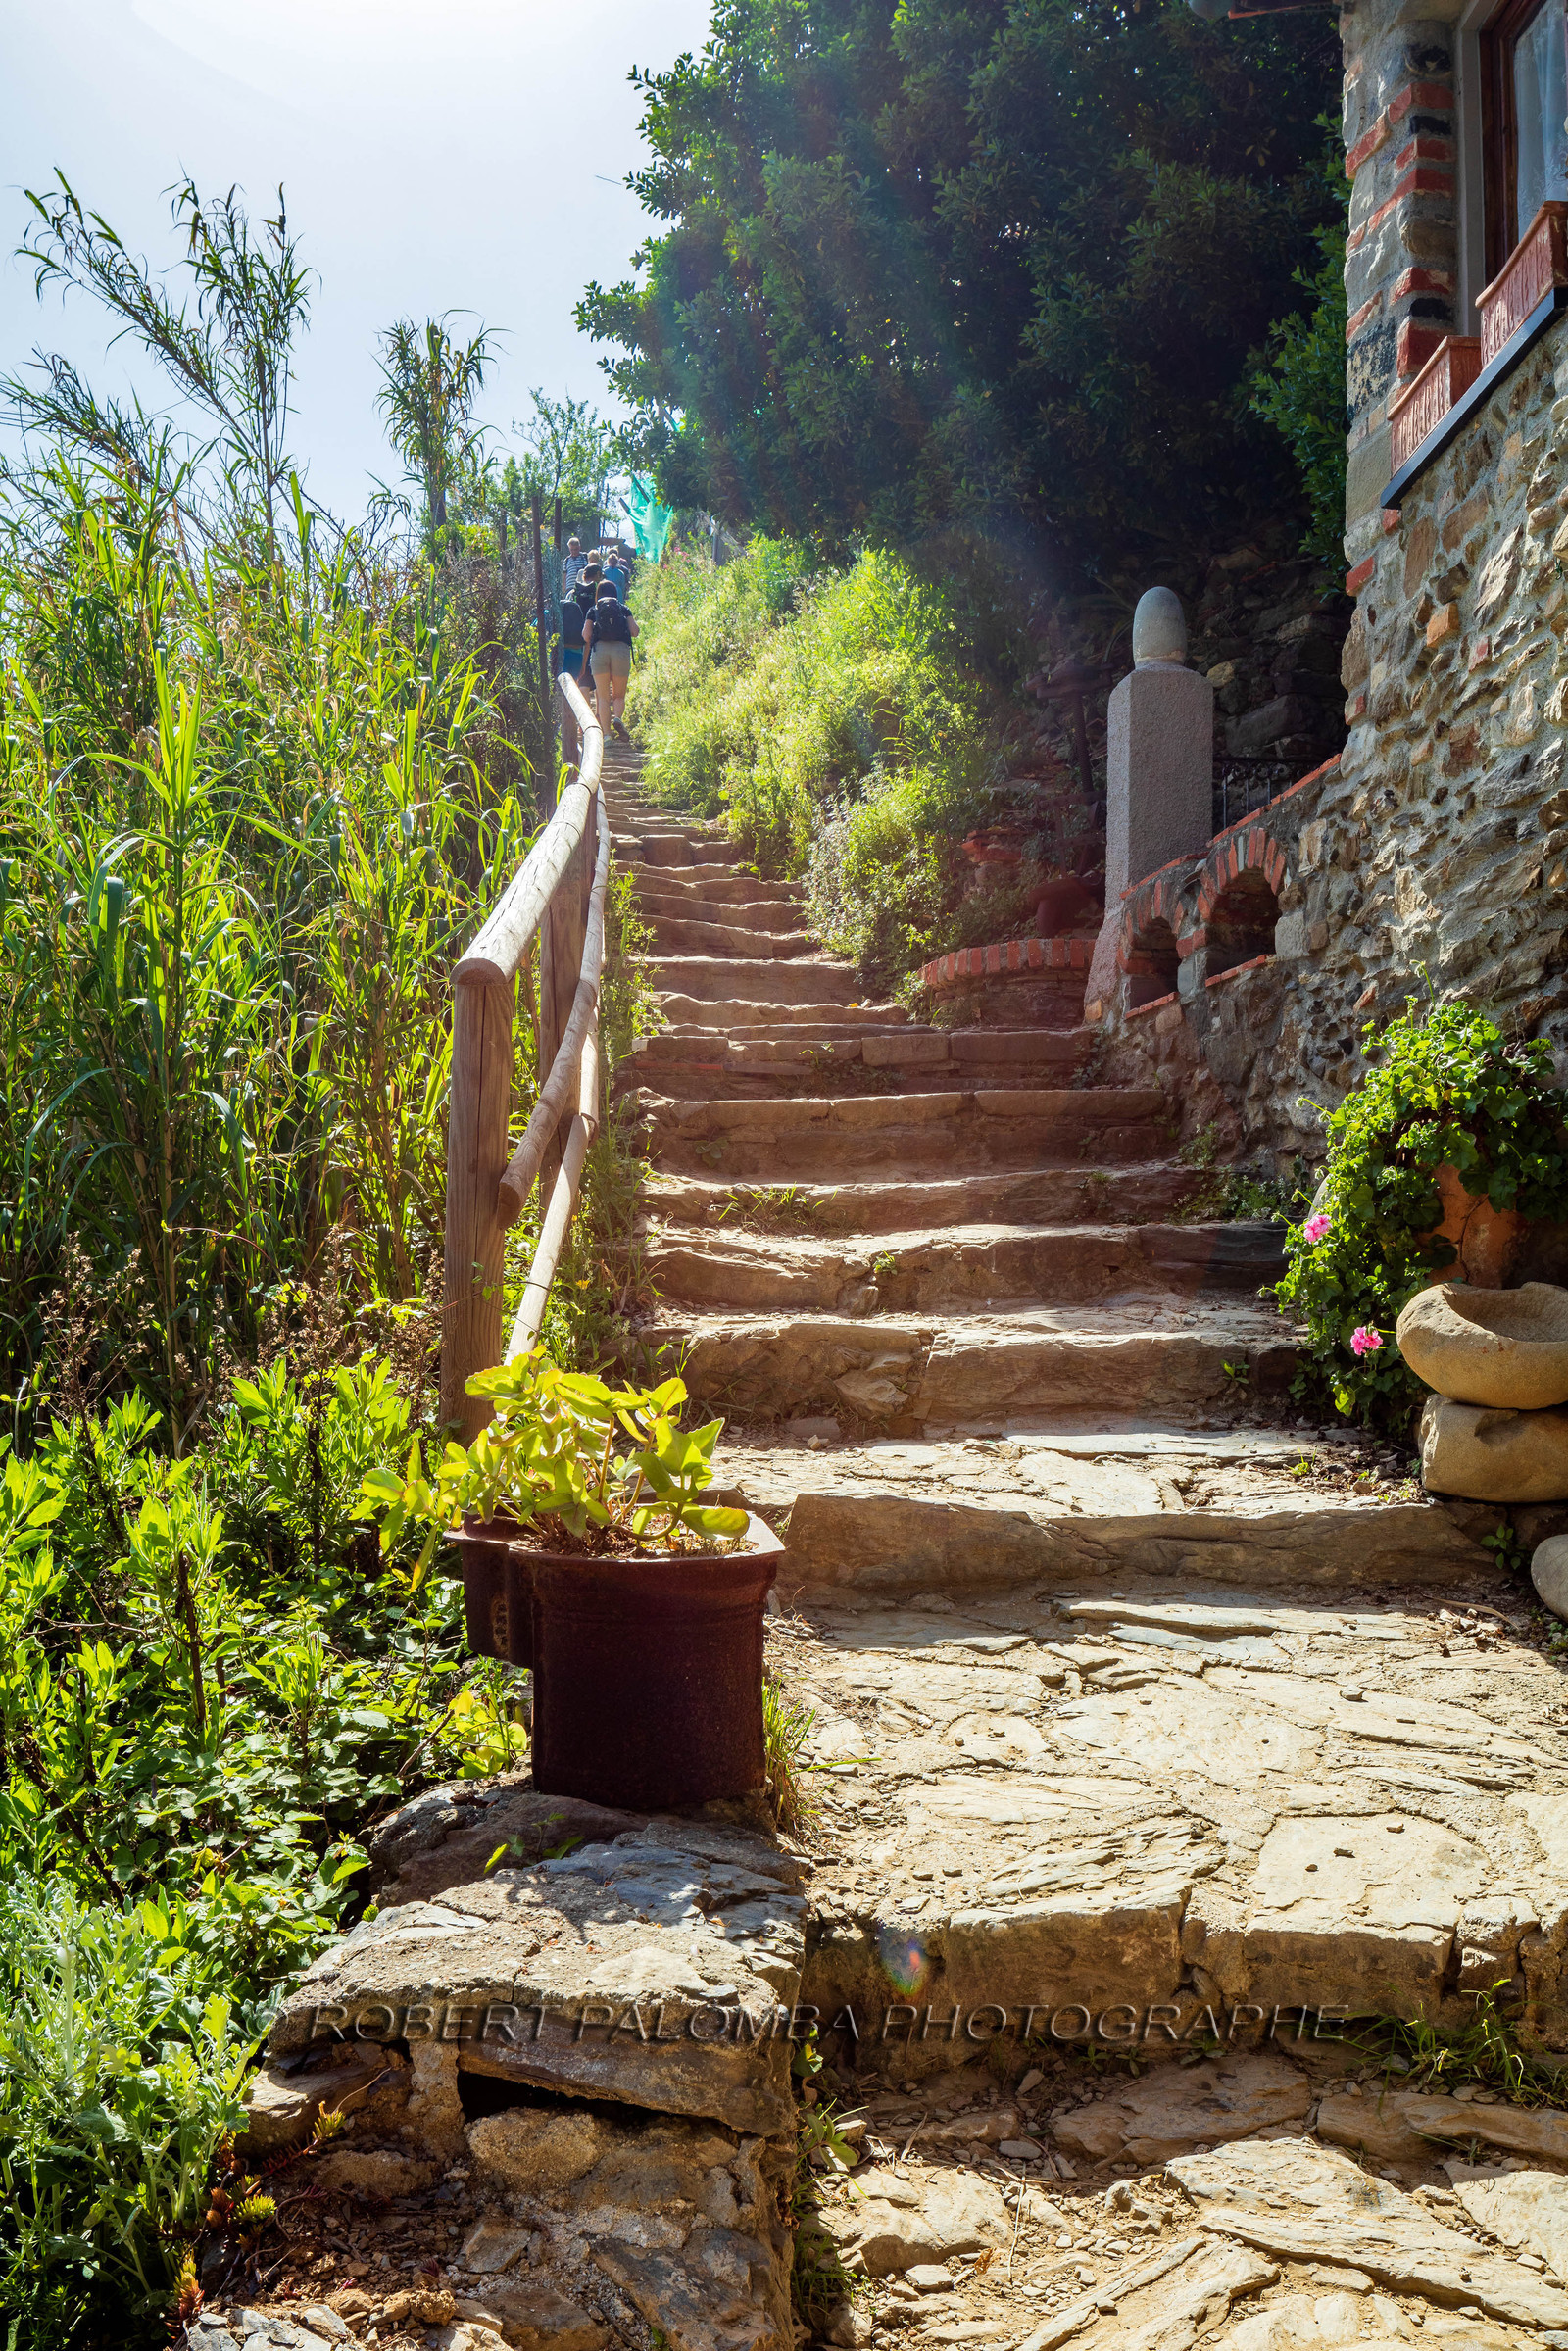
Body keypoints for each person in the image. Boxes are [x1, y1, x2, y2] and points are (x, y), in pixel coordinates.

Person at [581, 580, 638, 742]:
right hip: (621, 651)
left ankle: (606, 735)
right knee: (619, 695)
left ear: (598, 594)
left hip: (600, 652)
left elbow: (586, 635)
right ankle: (617, 718)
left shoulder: (593, 610)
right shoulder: (623, 608)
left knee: (603, 697)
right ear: (615, 593)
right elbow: (635, 631)